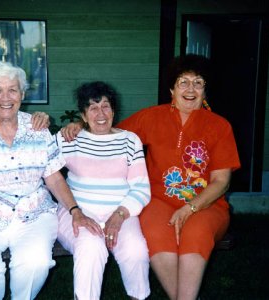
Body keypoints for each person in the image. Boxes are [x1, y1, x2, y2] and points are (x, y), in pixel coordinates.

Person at [59, 55, 241, 300]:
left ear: (205, 91)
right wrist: (80, 125)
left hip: (205, 203)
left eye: (198, 83)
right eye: (183, 82)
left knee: (195, 233)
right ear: (171, 89)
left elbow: (222, 181)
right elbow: (108, 130)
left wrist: (189, 208)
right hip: (158, 201)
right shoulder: (152, 117)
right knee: (155, 233)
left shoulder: (220, 126)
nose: (190, 89)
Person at [0, 61, 101, 300]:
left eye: (13, 90)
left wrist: (75, 211)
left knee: (35, 263)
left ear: (22, 94)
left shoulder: (36, 127)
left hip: (33, 214)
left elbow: (54, 178)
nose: (5, 98)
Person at [55, 81, 151, 299]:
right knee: (91, 249)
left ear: (114, 111)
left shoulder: (129, 140)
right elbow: (42, 166)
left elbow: (141, 188)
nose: (101, 113)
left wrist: (119, 215)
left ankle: (139, 296)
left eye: (106, 106)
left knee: (135, 251)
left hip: (120, 211)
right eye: (93, 107)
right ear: (83, 114)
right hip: (77, 212)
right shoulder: (68, 138)